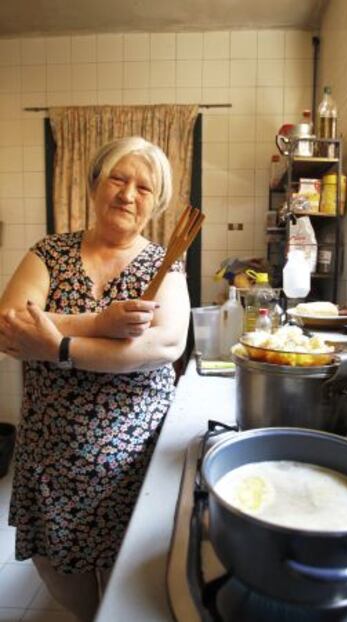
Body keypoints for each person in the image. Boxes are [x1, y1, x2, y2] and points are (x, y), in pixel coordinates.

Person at [0, 136, 190, 622]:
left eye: (144, 188)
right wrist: (99, 324)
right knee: (56, 565)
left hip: (134, 458)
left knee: (131, 575)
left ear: (157, 203)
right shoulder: (50, 252)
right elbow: (8, 321)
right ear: (94, 185)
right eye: (118, 179)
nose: (128, 194)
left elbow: (164, 346)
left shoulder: (164, 264)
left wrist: (56, 345)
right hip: (51, 451)